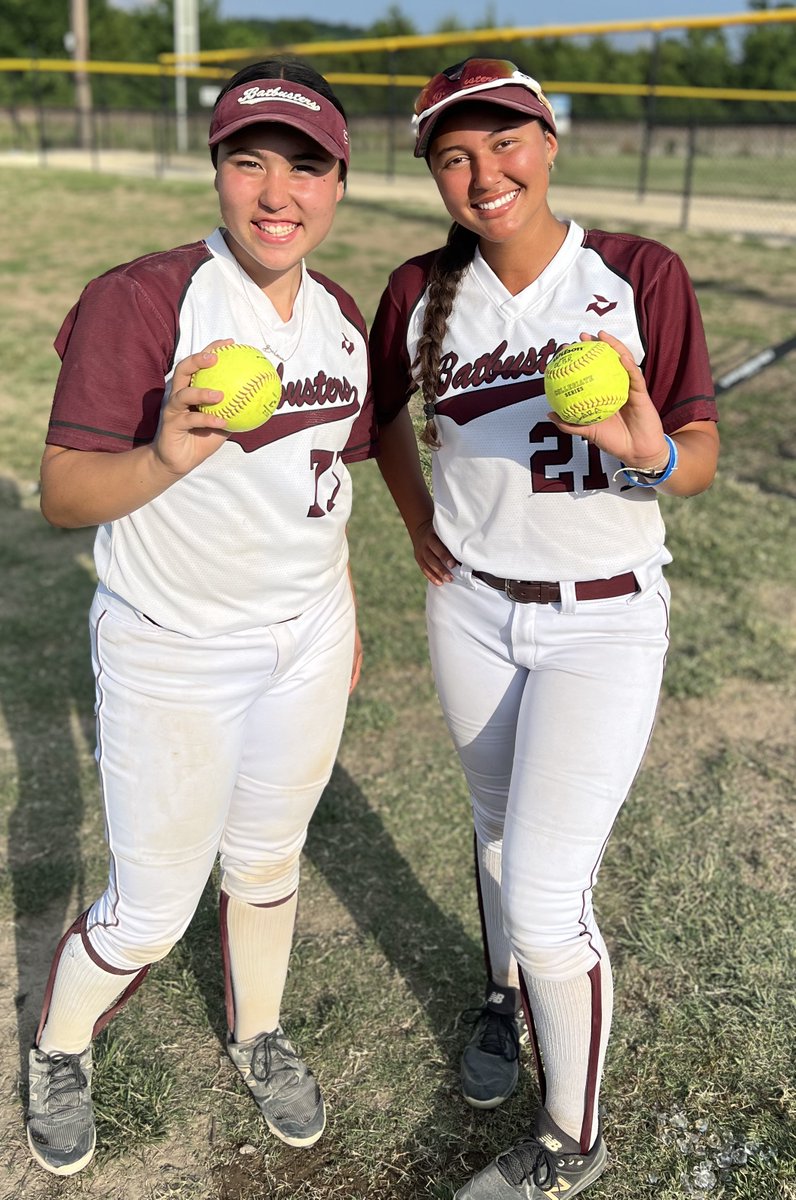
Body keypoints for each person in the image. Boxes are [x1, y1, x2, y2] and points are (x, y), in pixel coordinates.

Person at [370, 57, 719, 1200]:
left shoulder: (635, 275)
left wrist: (647, 453)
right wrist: (421, 522)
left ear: (551, 138)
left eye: (505, 141)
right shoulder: (420, 288)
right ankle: (505, 996)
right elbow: (382, 421)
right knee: (493, 831)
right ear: (432, 171)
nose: (485, 171)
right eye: (454, 154)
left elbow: (698, 461)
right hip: (470, 607)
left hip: (602, 622)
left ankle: (572, 1144)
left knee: (548, 890)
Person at [26, 58, 375, 1176]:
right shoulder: (146, 299)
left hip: (306, 637)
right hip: (175, 644)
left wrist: (348, 615)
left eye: (305, 167)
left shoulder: (338, 315)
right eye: (248, 161)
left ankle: (259, 1029)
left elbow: (334, 488)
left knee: (269, 864)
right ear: (217, 172)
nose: (278, 193)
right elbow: (63, 495)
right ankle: (60, 1044)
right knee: (148, 910)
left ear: (338, 184)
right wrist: (167, 454)